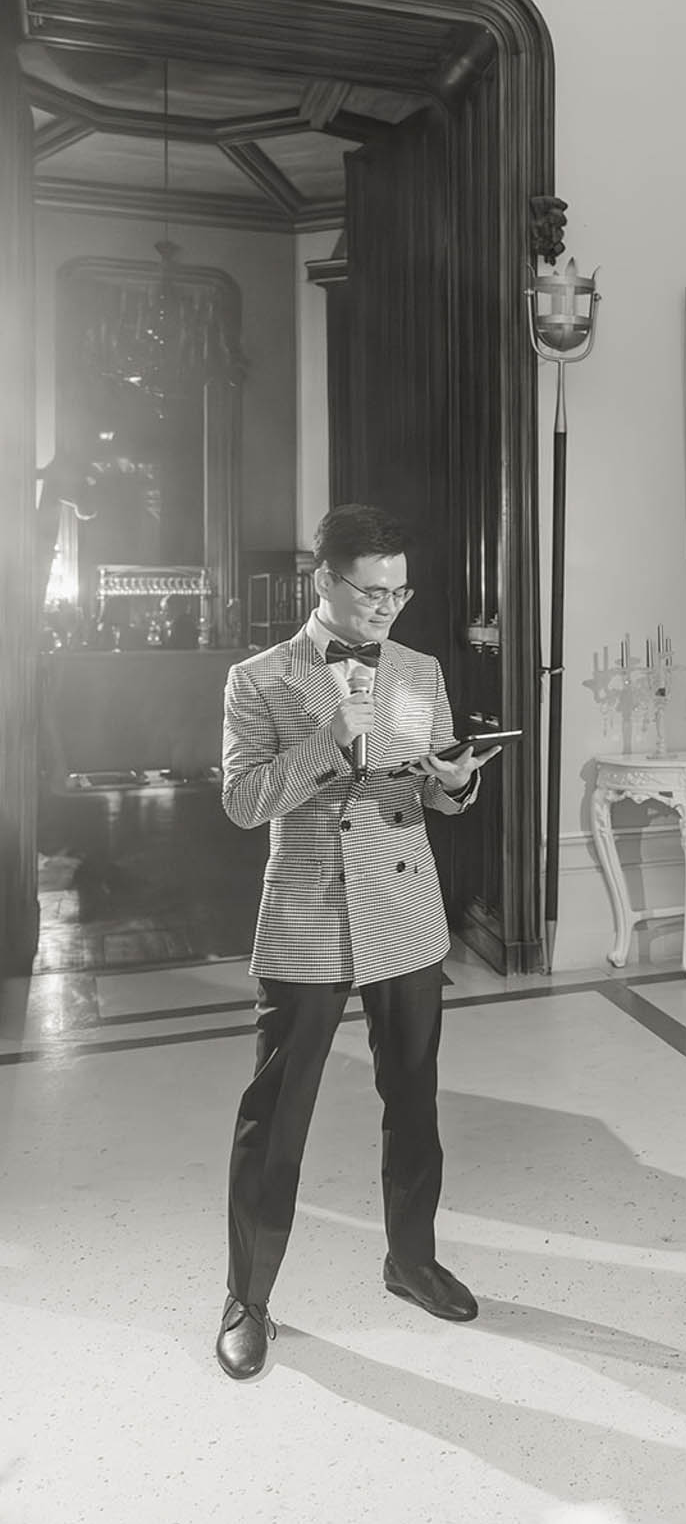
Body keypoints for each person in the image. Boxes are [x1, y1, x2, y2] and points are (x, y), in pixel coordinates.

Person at [214, 503, 500, 1380]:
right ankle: (247, 1298)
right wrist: (328, 739)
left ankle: (410, 1260)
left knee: (414, 1101)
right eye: (371, 590)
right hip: (306, 912)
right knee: (277, 1116)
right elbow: (241, 803)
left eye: (399, 590)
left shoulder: (418, 667)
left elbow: (435, 789)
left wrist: (455, 786)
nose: (387, 606)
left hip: (406, 910)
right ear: (324, 581)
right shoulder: (259, 677)